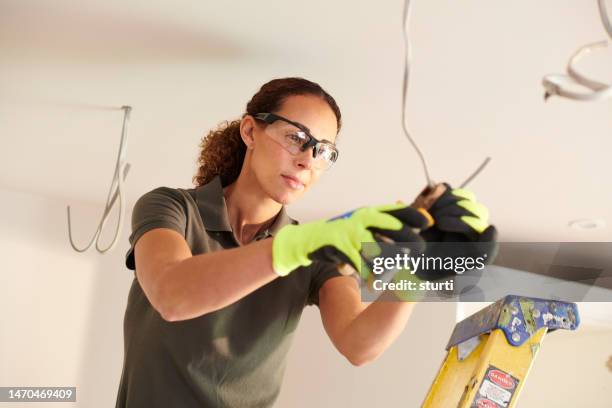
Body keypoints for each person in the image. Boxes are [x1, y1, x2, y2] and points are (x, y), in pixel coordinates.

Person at [114, 77, 496, 407]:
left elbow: (359, 345)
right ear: (250, 131)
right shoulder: (173, 207)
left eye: (324, 151)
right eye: (297, 138)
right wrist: (297, 245)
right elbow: (172, 293)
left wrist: (413, 278)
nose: (308, 160)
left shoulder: (318, 250)